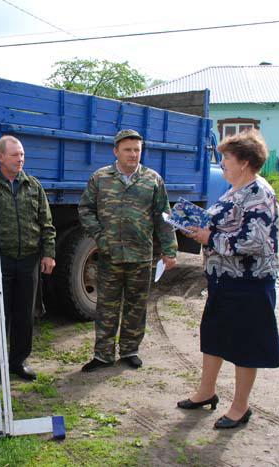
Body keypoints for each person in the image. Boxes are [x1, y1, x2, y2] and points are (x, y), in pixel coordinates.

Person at [176, 129, 279, 429]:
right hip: (223, 281)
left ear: (245, 162)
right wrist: (195, 229)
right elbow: (223, 226)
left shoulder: (259, 193)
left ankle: (240, 407)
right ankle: (206, 392)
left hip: (249, 284)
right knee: (214, 337)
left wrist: (210, 238)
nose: (221, 163)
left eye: (226, 158)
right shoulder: (234, 189)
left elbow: (255, 242)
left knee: (244, 345)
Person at [78, 129, 177, 372]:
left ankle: (130, 350)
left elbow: (163, 217)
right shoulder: (100, 178)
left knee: (136, 305)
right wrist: (101, 236)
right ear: (116, 151)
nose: (133, 155)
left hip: (141, 255)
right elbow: (85, 210)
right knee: (106, 307)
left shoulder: (152, 180)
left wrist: (169, 249)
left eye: (137, 150)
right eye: (128, 150)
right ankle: (103, 355)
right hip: (110, 255)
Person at [0, 135, 56, 386]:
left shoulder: (33, 185)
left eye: (22, 155)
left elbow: (46, 223)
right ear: (1, 157)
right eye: (15, 155)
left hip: (29, 260)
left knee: (24, 315)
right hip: (0, 261)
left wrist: (49, 253)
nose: (21, 159)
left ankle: (18, 361)